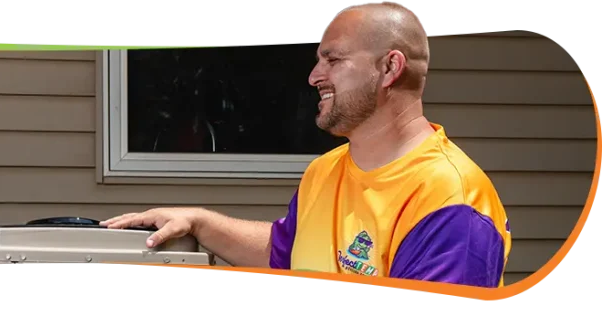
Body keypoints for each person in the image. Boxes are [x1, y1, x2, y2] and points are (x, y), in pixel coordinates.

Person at [102, 1, 512, 288]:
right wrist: (199, 221)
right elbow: (285, 254)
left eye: (333, 60)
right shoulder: (326, 171)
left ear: (390, 67)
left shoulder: (450, 198)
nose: (315, 76)